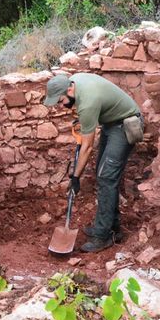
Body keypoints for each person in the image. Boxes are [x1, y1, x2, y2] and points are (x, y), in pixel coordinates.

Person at [43, 72, 143, 253]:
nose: (61, 106)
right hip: (111, 122)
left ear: (70, 89)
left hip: (126, 124)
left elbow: (87, 147)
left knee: (106, 177)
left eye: (60, 101)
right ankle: (113, 228)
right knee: (103, 174)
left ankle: (102, 236)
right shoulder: (76, 82)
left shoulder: (87, 102)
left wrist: (75, 177)